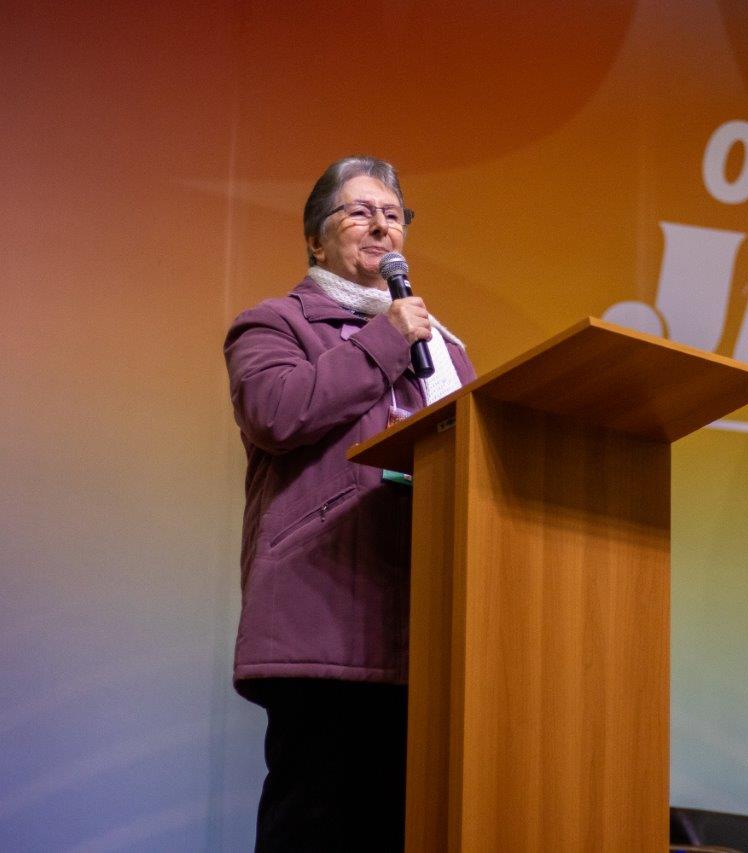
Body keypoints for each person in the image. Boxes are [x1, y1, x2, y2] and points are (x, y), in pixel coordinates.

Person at [224, 156, 476, 851]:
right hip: (323, 624)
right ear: (315, 239)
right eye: (360, 211)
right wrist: (388, 337)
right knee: (315, 829)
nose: (381, 226)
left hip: (425, 628)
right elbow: (277, 413)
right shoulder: (276, 324)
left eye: (393, 215)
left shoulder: (443, 348)